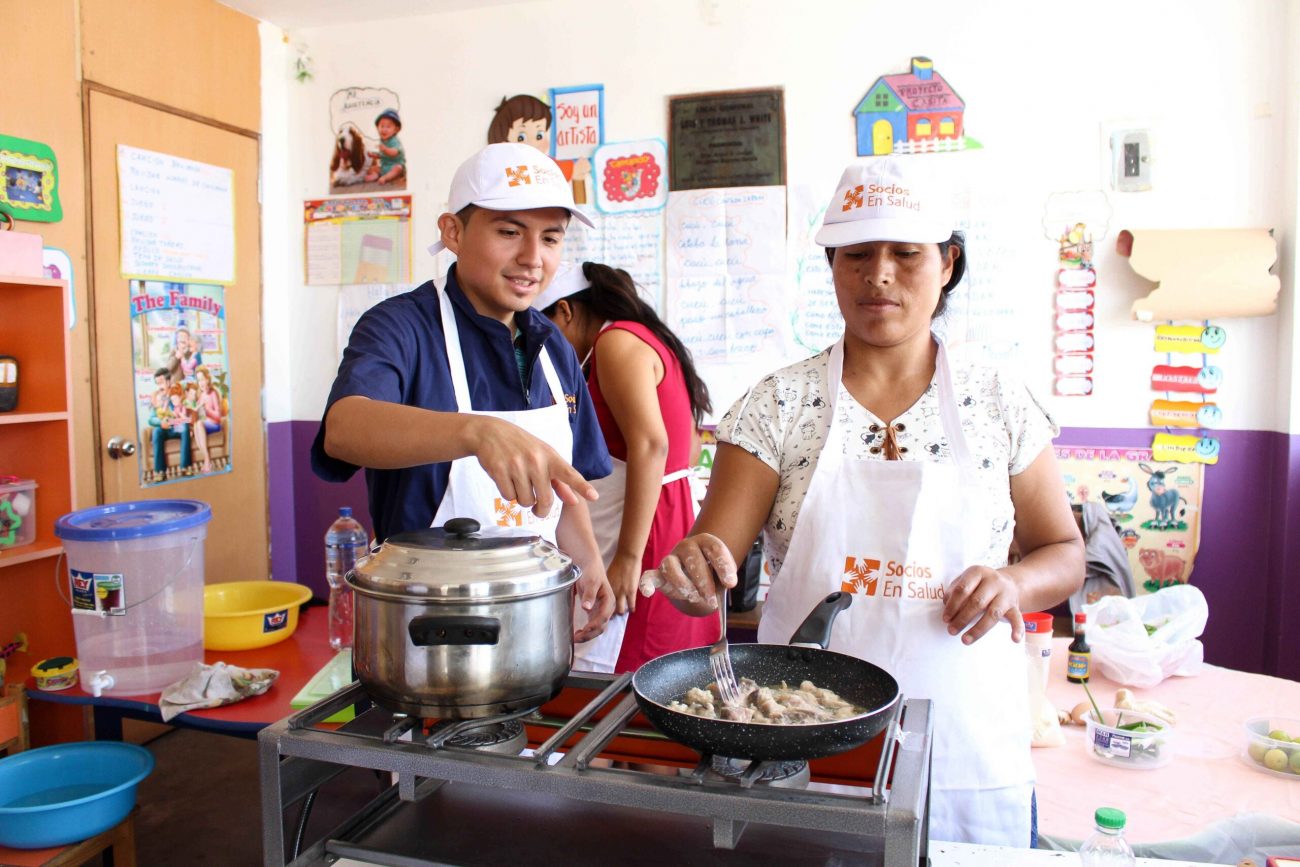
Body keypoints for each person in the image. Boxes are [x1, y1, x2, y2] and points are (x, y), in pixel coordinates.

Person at [646, 156, 1085, 847]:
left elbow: (1064, 552)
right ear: (832, 266)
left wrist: (1012, 580)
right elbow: (710, 565)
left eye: (905, 254)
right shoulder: (779, 404)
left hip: (966, 739)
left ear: (948, 262)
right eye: (856, 255)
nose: (878, 275)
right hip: (805, 738)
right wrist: (695, 574)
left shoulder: (1000, 400)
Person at [312, 142, 615, 643]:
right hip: (422, 628)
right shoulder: (400, 328)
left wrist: (589, 563)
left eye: (551, 238)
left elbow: (566, 488)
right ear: (453, 232)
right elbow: (344, 430)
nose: (532, 259)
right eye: (509, 232)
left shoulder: (552, 347)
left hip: (531, 619)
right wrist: (475, 432)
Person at [534, 261, 716, 672]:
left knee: (623, 664)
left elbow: (652, 445)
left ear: (565, 311)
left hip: (638, 530)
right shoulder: (646, 340)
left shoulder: (616, 342)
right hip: (663, 516)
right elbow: (687, 450)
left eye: (543, 333)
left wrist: (630, 557)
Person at [487, 95, 591, 205]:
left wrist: (574, 169)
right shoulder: (512, 169)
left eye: (539, 135)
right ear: (503, 143)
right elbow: (532, 178)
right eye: (521, 138)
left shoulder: (545, 163)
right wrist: (572, 170)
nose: (533, 144)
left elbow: (553, 170)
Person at [191, 366, 224, 474]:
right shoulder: (201, 395)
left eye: (202, 379)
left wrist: (207, 410)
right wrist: (197, 409)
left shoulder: (212, 393)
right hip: (206, 423)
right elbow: (202, 416)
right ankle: (207, 458)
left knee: (199, 424)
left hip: (215, 424)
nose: (200, 383)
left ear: (207, 379)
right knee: (196, 425)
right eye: (198, 380)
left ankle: (207, 460)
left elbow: (218, 417)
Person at [366, 108, 406, 186]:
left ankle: (385, 178)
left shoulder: (395, 141)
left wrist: (385, 149)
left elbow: (395, 152)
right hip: (384, 167)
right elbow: (382, 155)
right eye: (382, 126)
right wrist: (374, 155)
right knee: (371, 169)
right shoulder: (382, 141)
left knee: (398, 168)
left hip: (394, 166)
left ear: (396, 130)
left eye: (388, 127)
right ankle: (377, 175)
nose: (384, 129)